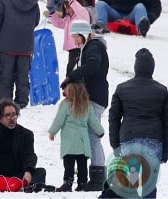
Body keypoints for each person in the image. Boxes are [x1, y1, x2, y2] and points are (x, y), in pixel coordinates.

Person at [108, 48, 168, 198]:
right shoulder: (162, 91)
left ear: (136, 67)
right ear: (152, 68)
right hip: (153, 142)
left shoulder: (122, 89)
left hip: (130, 141)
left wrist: (115, 144)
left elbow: (114, 118)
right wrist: (166, 150)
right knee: (149, 185)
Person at [60, 19, 109, 191]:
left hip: (96, 97)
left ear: (84, 33)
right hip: (91, 97)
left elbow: (92, 65)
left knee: (92, 135)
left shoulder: (94, 47)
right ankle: (95, 177)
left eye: (76, 37)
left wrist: (72, 76)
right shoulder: (88, 47)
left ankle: (98, 178)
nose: (75, 41)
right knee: (90, 135)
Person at [0, 99, 46, 191]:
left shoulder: (26, 134)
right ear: (0, 118)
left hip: (16, 174)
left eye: (14, 115)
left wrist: (28, 171)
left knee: (40, 172)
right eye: (8, 115)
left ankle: (29, 187)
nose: (12, 118)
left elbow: (29, 155)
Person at [48, 81, 104, 192]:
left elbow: (59, 120)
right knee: (82, 164)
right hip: (82, 142)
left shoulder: (65, 105)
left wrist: (52, 132)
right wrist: (100, 131)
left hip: (69, 143)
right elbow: (93, 121)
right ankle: (82, 183)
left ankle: (67, 183)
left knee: (69, 164)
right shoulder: (87, 105)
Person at [0, 0, 40, 109]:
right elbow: (36, 21)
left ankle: (5, 101)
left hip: (6, 43)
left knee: (5, 75)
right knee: (23, 75)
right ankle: (22, 101)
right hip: (25, 44)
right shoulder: (33, 2)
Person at [45, 0, 90, 77]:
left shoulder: (82, 13)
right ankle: (69, 87)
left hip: (80, 48)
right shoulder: (70, 18)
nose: (66, 10)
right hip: (73, 49)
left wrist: (70, 1)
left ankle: (72, 87)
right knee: (70, 70)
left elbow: (77, 6)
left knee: (73, 70)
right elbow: (59, 23)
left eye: (68, 8)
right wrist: (52, 13)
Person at [93, 0, 162, 37]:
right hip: (114, 14)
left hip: (133, 16)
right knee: (101, 4)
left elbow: (155, 7)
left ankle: (141, 28)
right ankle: (100, 25)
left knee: (140, 7)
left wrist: (149, 18)